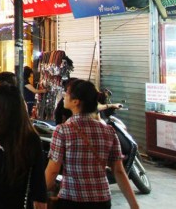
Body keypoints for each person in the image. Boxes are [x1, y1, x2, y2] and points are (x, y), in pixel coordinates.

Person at [45, 79, 139, 209]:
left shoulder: (63, 131)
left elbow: (52, 171)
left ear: (75, 101)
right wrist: (134, 205)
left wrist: (39, 196)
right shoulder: (108, 131)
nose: (64, 95)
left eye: (66, 93)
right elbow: (119, 171)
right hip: (102, 200)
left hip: (72, 199)